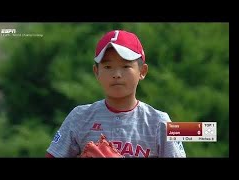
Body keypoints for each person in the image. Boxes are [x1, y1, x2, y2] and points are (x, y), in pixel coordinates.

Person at [46, 29, 186, 158]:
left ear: (142, 71)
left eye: (126, 66)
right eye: (108, 67)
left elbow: (202, 133)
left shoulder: (159, 122)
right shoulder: (79, 117)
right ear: (97, 72)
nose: (117, 74)